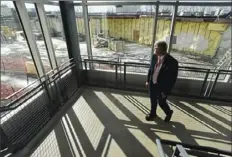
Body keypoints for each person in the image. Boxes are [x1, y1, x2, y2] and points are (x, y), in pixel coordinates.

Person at [145, 41, 178, 122]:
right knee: (153, 100)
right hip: (152, 84)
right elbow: (150, 69)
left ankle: (169, 112)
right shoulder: (154, 56)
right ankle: (153, 114)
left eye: (156, 48)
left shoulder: (172, 62)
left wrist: (166, 92)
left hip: (162, 88)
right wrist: (147, 80)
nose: (154, 49)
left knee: (161, 102)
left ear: (162, 50)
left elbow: (172, 79)